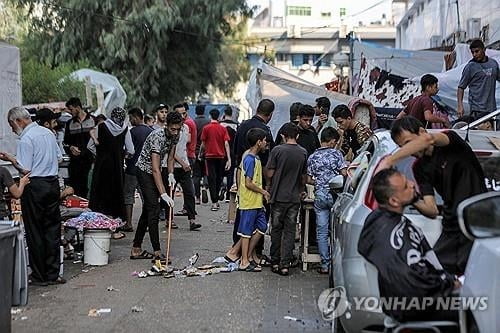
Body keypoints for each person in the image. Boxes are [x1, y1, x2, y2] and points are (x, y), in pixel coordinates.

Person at [380, 116, 486, 275]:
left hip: (477, 225)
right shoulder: (419, 168)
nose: (410, 151)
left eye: (409, 143)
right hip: (451, 229)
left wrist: (390, 159)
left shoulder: (451, 142)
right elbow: (432, 210)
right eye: (402, 147)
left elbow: (429, 139)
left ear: (422, 131)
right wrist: (412, 198)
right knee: (430, 277)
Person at [358, 168, 460, 323]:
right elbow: (411, 281)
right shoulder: (389, 234)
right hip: (417, 306)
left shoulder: (380, 221)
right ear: (393, 201)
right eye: (405, 186)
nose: (413, 184)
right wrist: (449, 284)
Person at [1, 106, 64, 285]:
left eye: (12, 125)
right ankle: (53, 273)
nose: (13, 129)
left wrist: (11, 159)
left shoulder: (26, 139)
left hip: (35, 185)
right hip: (52, 184)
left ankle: (39, 275)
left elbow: (25, 168)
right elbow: (59, 158)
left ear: (18, 121)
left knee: (35, 230)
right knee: (52, 229)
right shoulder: (48, 133)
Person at [131, 111, 181, 262]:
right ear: (167, 126)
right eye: (173, 129)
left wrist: (171, 174)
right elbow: (155, 169)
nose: (175, 132)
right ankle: (158, 251)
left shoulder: (176, 135)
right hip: (144, 170)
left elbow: (171, 158)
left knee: (148, 210)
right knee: (154, 208)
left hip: (156, 169)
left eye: (178, 129)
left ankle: (136, 248)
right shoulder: (157, 137)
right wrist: (164, 194)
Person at [233, 99, 275, 259]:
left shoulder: (242, 125)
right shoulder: (264, 132)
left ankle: (239, 252)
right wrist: (266, 187)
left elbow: (236, 155)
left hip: (242, 177)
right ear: (270, 115)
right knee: (256, 221)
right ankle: (250, 255)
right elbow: (268, 162)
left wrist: (236, 182)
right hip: (256, 182)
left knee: (243, 218)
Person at [266, 123, 308, 276]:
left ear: (283, 135)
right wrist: (301, 191)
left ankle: (275, 261)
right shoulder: (303, 153)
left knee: (276, 229)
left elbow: (270, 173)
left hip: (278, 197)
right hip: (294, 198)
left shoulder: (277, 150)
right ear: (297, 136)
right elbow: (303, 178)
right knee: (290, 230)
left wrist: (269, 185)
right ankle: (285, 264)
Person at [88, 107, 134, 240]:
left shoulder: (101, 127)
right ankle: (115, 230)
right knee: (115, 196)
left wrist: (101, 155)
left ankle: (98, 227)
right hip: (117, 167)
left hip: (101, 167)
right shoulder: (125, 129)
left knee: (100, 195)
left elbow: (90, 146)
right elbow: (131, 149)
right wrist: (122, 156)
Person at [307, 127, 347, 274]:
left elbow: (309, 179)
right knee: (336, 230)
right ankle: (337, 264)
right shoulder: (337, 154)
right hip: (335, 196)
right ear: (331, 141)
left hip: (320, 196)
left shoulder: (312, 157)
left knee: (322, 232)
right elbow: (344, 173)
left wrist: (320, 183)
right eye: (335, 142)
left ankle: (325, 265)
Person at [236, 128, 270, 272]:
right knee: (246, 231)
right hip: (249, 201)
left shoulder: (256, 159)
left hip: (256, 202)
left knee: (262, 227)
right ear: (258, 142)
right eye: (264, 140)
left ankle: (248, 256)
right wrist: (263, 192)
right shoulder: (249, 159)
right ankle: (244, 260)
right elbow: (248, 182)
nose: (266, 143)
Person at [171, 104, 201, 231]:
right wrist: (183, 163)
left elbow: (185, 146)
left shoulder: (186, 127)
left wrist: (186, 162)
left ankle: (192, 220)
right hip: (172, 165)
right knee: (170, 193)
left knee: (189, 192)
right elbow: (170, 151)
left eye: (184, 113)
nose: (183, 116)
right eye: (180, 114)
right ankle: (169, 219)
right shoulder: (170, 130)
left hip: (185, 165)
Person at [122, 107, 153, 232]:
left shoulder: (131, 132)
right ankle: (146, 223)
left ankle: (128, 223)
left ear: (135, 117)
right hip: (146, 170)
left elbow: (129, 151)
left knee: (128, 196)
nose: (130, 121)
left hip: (132, 169)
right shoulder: (151, 131)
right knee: (146, 197)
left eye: (130, 118)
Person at [457, 39, 500, 119]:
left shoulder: (493, 64)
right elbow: (461, 87)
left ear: (484, 49)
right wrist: (460, 105)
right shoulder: (470, 67)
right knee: (479, 130)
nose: (474, 54)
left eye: (477, 51)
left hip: (491, 109)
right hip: (476, 109)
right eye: (472, 52)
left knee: (491, 130)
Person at [63, 97, 96, 198]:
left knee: (91, 189)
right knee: (76, 191)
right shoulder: (69, 124)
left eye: (71, 109)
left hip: (90, 162)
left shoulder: (93, 120)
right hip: (75, 164)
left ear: (78, 107)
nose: (70, 112)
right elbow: (65, 143)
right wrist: (71, 148)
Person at [200, 109, 231, 211]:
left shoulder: (206, 128)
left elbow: (203, 144)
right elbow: (226, 143)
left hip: (209, 157)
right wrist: (229, 159)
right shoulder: (223, 129)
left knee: (211, 179)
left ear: (210, 116)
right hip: (221, 157)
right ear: (218, 116)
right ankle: (216, 199)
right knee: (219, 178)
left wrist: (200, 153)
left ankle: (214, 202)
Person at [219, 106, 239, 201]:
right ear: (232, 114)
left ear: (224, 113)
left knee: (219, 173)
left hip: (221, 151)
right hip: (232, 151)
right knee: (230, 174)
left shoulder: (220, 124)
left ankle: (220, 189)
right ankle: (228, 195)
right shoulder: (236, 125)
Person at [193, 104, 210, 204]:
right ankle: (205, 187)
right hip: (206, 151)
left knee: (196, 175)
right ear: (204, 111)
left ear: (196, 112)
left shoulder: (193, 122)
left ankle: (198, 198)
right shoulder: (208, 122)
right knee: (206, 173)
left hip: (195, 151)